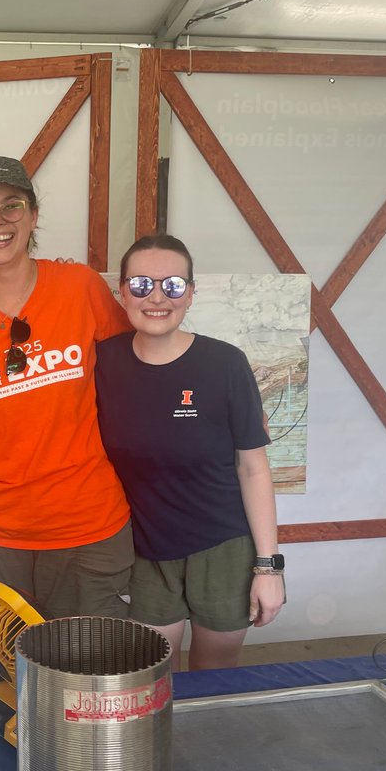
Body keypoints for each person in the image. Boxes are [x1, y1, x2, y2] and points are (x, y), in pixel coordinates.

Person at [0, 154, 133, 670]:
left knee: (89, 673)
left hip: (87, 528)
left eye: (11, 206)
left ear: (34, 214)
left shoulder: (81, 288)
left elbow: (139, 377)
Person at [95, 235, 283, 670]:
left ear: (191, 293)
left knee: (212, 679)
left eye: (173, 285)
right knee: (148, 676)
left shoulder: (226, 365)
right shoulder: (101, 363)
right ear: (121, 291)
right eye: (141, 285)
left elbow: (253, 469)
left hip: (223, 548)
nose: (157, 297)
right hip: (145, 551)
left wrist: (269, 569)